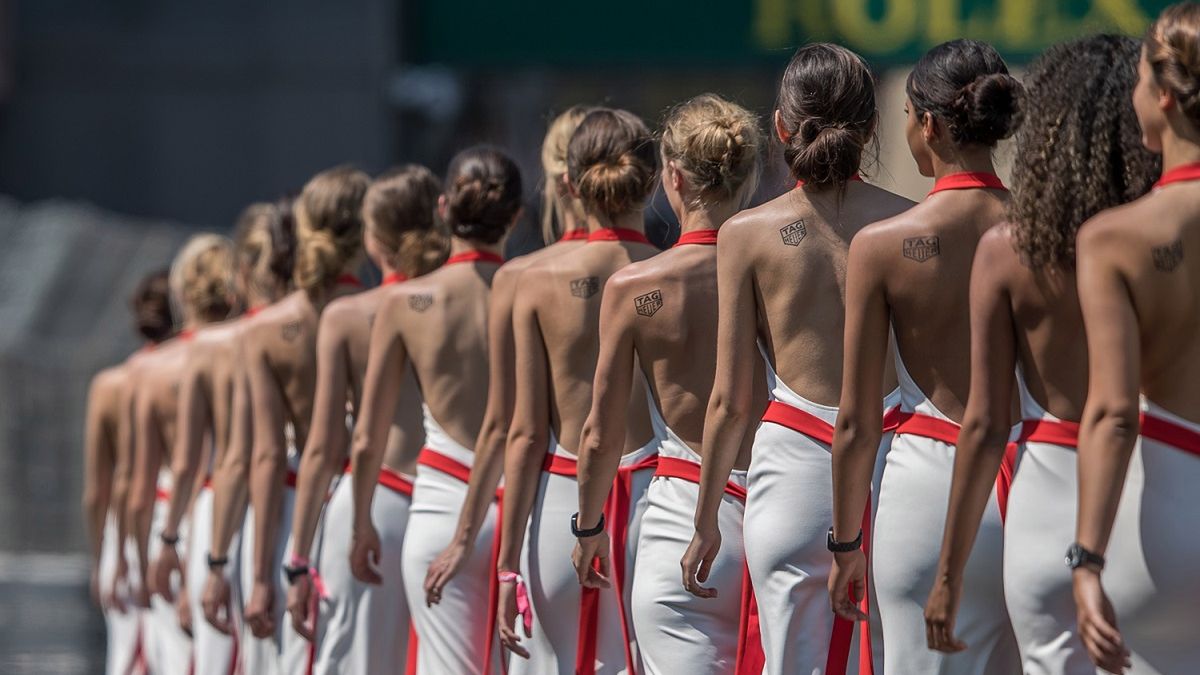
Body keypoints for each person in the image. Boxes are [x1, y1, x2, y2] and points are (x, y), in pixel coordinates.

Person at [921, 35, 1157, 674]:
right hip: (1150, 492)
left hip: (1046, 499)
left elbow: (986, 422)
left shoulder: (1008, 250)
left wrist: (949, 572)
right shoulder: (1162, 247)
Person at [680, 44, 911, 674]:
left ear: (781, 127)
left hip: (790, 477)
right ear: (870, 129)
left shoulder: (746, 235)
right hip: (897, 468)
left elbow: (729, 400)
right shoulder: (911, 225)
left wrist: (704, 522)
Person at [829, 39, 1023, 673]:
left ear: (930, 123)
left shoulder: (882, 245)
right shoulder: (1046, 228)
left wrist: (846, 542)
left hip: (929, 495)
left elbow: (857, 421)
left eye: (908, 116)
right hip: (1033, 486)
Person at [571, 94, 763, 675]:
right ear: (748, 177)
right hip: (781, 521)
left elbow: (601, 434)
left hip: (681, 524)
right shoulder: (778, 270)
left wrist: (588, 526)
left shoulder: (635, 288)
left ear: (672, 178)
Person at [495, 108, 659, 675]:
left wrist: (505, 565)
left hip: (560, 511)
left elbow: (523, 434)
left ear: (569, 185)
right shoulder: (682, 277)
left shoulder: (535, 283)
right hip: (657, 507)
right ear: (655, 179)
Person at [347, 146, 520, 674]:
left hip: (442, 507)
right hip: (526, 510)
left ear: (445, 209)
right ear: (515, 216)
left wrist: (359, 526)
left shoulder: (408, 302)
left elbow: (366, 436)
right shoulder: (534, 289)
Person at [422, 107, 594, 621]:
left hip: (526, 505)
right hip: (645, 505)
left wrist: (476, 544)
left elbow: (512, 429)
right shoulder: (653, 273)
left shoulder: (523, 281)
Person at [1073, 4, 1200, 672]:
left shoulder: (1114, 239)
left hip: (1164, 521)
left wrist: (1086, 559)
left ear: (1165, 95)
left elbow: (1114, 413)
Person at [284, 166, 444, 674]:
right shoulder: (472, 299)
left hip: (377, 506)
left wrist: (298, 559)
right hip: (452, 498)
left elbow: (323, 448)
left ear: (374, 239)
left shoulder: (348, 317)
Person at [148, 203, 296, 675]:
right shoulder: (313, 323)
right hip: (300, 502)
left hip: (223, 509)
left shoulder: (214, 348)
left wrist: (174, 540)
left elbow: (199, 463)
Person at [240, 166, 371, 673]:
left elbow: (268, 456)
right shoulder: (384, 311)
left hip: (297, 504)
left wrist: (258, 576)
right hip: (370, 499)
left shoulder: (266, 330)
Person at [128, 235, 237, 674]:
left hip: (199, 513)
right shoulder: (255, 346)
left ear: (182, 291)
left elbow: (162, 474)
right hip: (256, 511)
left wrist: (162, 544)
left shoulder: (155, 369)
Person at [200, 201, 297, 648]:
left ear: (241, 269)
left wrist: (218, 563)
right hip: (323, 508)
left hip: (264, 521)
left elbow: (243, 457)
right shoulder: (326, 319)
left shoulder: (240, 341)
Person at [84, 270, 174, 675]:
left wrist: (105, 554)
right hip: (178, 522)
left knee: (128, 655)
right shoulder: (193, 372)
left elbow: (98, 490)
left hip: (128, 529)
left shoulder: (111, 384)